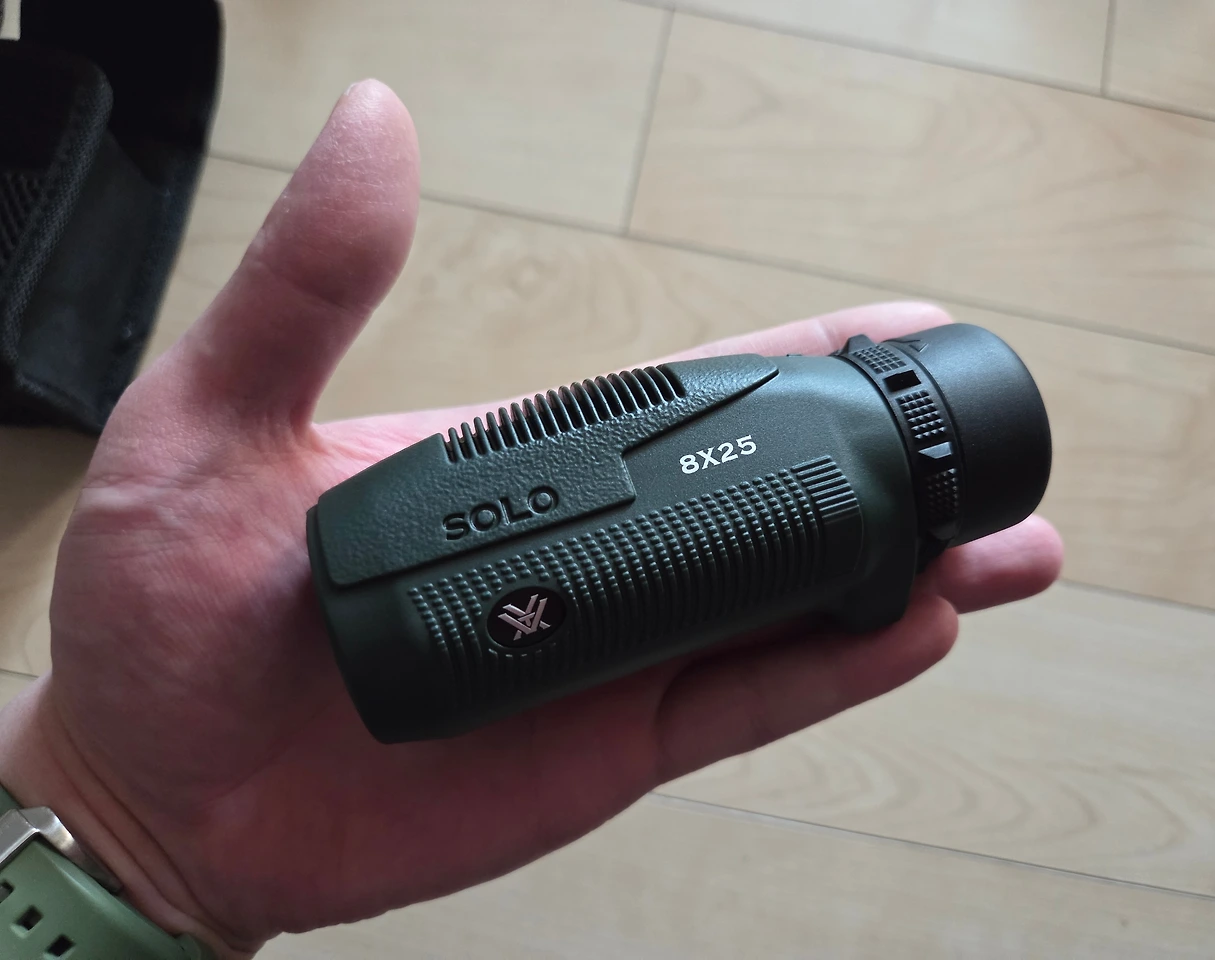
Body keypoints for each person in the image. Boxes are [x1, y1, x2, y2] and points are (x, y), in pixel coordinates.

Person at [0, 81, 1062, 958]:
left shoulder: (821, 414)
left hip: (404, 597)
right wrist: (131, 839)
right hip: (417, 604)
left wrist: (116, 828)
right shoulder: (839, 459)